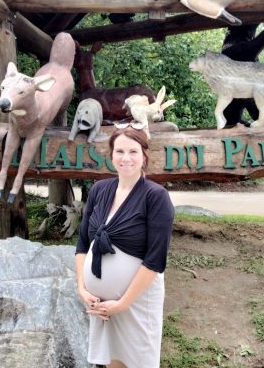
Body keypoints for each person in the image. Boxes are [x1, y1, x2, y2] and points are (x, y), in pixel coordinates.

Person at [75, 127, 175, 368]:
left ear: (144, 156)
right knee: (113, 361)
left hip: (137, 301)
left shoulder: (156, 197)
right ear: (111, 156)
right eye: (119, 151)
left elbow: (155, 260)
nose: (126, 157)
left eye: (133, 151)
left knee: (138, 361)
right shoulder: (99, 190)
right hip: (100, 303)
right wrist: (82, 290)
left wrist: (122, 304)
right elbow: (82, 245)